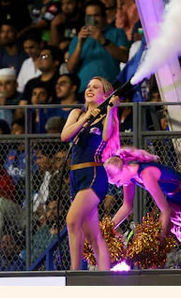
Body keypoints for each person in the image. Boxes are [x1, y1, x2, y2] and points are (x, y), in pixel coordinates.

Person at [59, 76, 121, 271]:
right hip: (76, 175)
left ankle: (74, 272)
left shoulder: (107, 115)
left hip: (94, 174)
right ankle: (105, 275)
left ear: (105, 94)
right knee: (93, 235)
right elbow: (65, 136)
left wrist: (111, 109)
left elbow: (106, 135)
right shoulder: (77, 113)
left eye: (96, 87)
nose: (90, 89)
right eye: (88, 86)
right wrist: (86, 118)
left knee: (72, 220)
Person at [104, 146, 181, 253]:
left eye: (118, 181)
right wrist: (108, 229)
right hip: (173, 198)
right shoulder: (129, 178)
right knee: (162, 243)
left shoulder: (146, 174)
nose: (118, 186)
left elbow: (165, 210)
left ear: (123, 169)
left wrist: (157, 239)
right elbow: (127, 206)